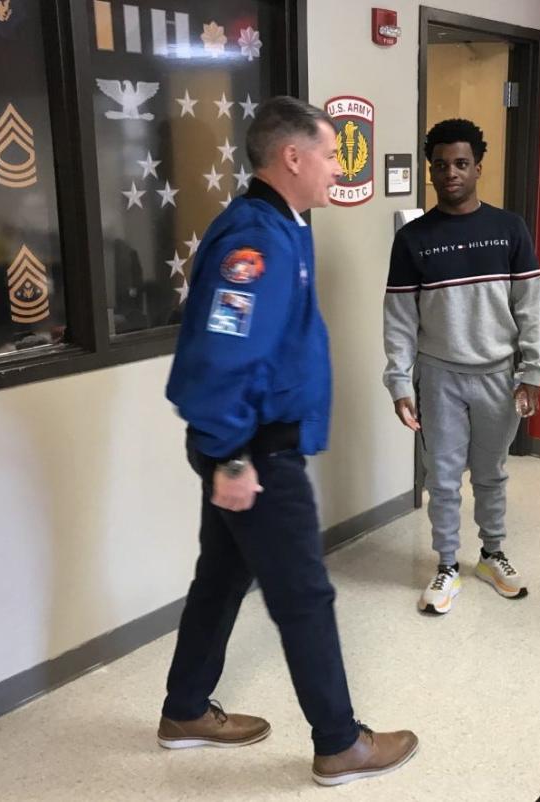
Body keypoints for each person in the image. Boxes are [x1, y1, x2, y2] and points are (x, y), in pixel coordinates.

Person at [160, 96, 418, 786]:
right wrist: (233, 457)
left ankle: (185, 709)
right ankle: (340, 744)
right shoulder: (258, 240)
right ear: (292, 157)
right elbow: (222, 357)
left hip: (248, 446)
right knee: (304, 594)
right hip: (255, 451)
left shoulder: (284, 224)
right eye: (331, 155)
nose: (338, 167)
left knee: (221, 576)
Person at [382, 118, 540, 614]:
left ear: (478, 166)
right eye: (439, 165)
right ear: (429, 171)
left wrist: (532, 370)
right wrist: (398, 381)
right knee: (444, 476)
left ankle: (492, 554)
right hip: (439, 377)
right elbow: (398, 318)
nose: (449, 173)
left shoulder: (509, 229)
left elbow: (531, 305)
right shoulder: (413, 239)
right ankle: (447, 565)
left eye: (460, 163)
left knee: (492, 472)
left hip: (500, 375)